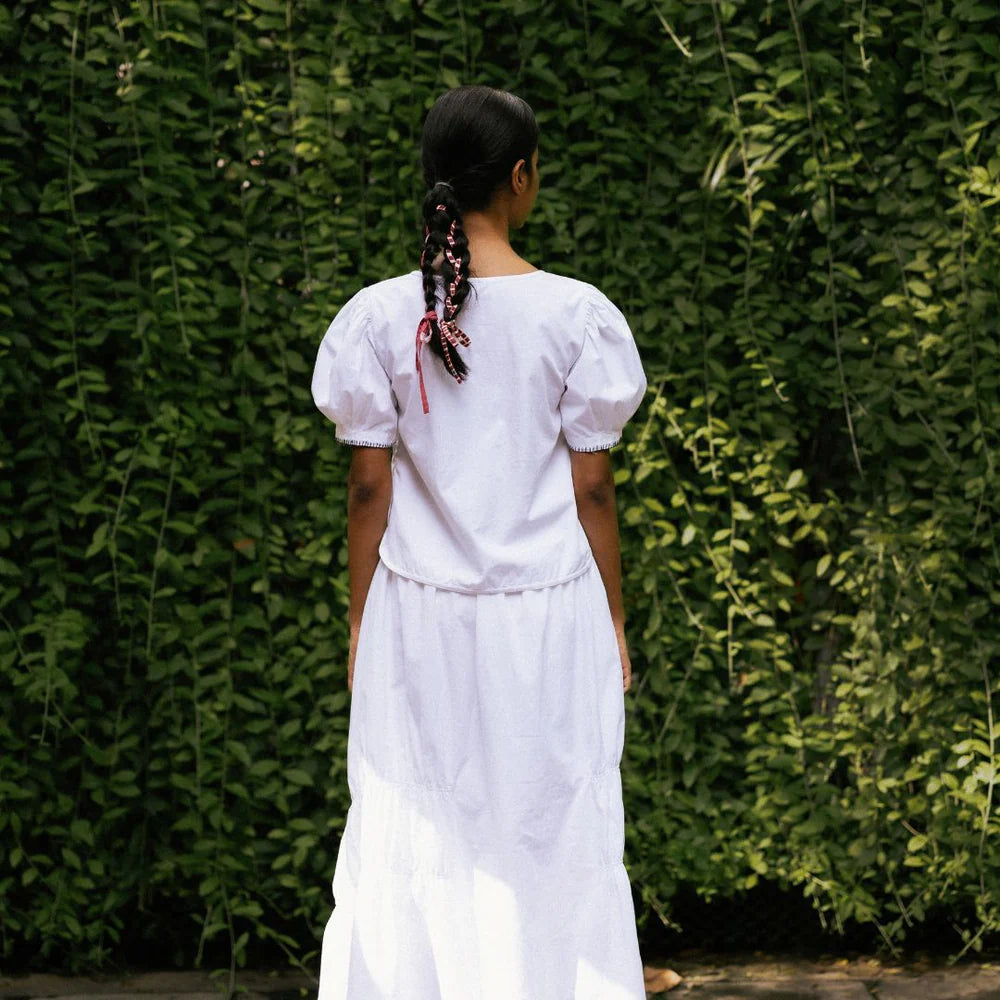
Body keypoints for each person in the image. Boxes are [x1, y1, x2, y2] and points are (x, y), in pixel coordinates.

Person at [311, 84, 660, 1000]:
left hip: (418, 613)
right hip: (548, 612)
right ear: (522, 176)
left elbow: (368, 488)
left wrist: (360, 622)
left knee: (415, 820)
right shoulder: (577, 315)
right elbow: (592, 487)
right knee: (555, 823)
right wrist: (615, 619)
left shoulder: (378, 317)